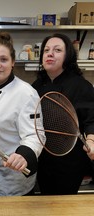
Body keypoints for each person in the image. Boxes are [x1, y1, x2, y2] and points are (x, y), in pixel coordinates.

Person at [32, 33, 94, 195]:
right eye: (46, 50)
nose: (50, 53)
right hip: (43, 159)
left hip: (70, 161)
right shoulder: (36, 87)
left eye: (57, 50)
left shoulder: (81, 86)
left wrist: (92, 140)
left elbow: (91, 120)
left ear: (68, 56)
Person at [0, 32, 43, 196]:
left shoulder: (26, 93)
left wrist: (23, 155)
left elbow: (36, 135)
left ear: (13, 62)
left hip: (15, 178)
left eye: (3, 59)